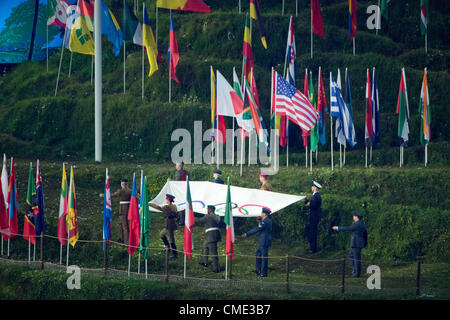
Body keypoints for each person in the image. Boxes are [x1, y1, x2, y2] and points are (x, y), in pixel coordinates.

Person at [332, 211, 368, 278]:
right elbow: (365, 235)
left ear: (356, 217)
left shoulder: (357, 224)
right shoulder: (362, 224)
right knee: (351, 255)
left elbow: (348, 228)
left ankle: (357, 273)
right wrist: (365, 243)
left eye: (354, 216)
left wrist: (337, 228)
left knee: (356, 259)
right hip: (357, 244)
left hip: (356, 244)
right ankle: (355, 270)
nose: (353, 217)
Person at [241, 208, 272, 277]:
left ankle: (264, 273)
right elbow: (260, 227)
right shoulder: (266, 220)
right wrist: (259, 221)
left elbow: (257, 229)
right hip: (263, 241)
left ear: (265, 214)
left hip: (264, 241)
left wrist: (247, 234)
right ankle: (258, 270)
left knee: (264, 257)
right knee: (258, 254)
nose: (261, 214)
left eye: (262, 213)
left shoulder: (265, 221)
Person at [100, 178, 131, 244]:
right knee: (120, 224)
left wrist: (104, 195)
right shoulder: (130, 191)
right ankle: (121, 238)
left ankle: (126, 241)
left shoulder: (121, 191)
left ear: (122, 184)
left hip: (123, 210)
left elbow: (112, 195)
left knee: (125, 225)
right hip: (128, 208)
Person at [149, 194, 179, 259]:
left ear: (168, 200)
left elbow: (158, 208)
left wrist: (150, 204)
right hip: (170, 223)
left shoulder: (167, 207)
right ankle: (167, 247)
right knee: (162, 234)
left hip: (169, 224)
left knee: (171, 239)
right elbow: (176, 215)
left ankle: (175, 254)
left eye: (166, 199)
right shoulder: (174, 206)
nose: (166, 200)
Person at [197, 205, 222, 273]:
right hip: (214, 235)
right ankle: (204, 262)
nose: (207, 210)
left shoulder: (208, 216)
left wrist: (190, 217)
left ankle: (216, 268)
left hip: (211, 236)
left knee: (213, 253)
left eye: (208, 209)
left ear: (210, 210)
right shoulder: (217, 216)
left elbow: (200, 220)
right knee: (205, 247)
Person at [304, 181, 322, 253]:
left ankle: (313, 248)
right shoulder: (315, 195)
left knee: (312, 232)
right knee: (310, 231)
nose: (311, 188)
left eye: (312, 186)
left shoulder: (316, 196)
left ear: (315, 188)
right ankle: (312, 247)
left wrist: (307, 201)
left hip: (314, 218)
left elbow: (312, 206)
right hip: (314, 217)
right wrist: (307, 201)